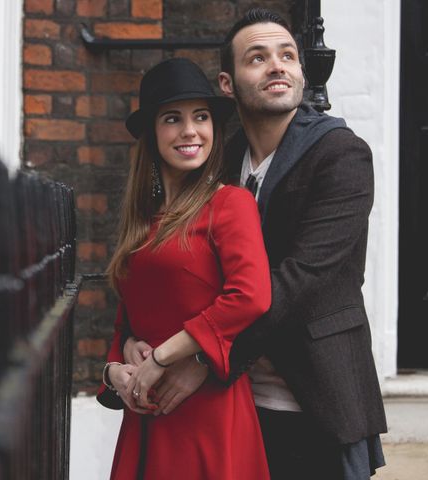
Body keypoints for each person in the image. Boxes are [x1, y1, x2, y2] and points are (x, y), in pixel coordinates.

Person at [123, 8, 388, 480]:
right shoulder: (218, 162)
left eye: (288, 55)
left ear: (303, 74)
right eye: (258, 58)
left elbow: (299, 280)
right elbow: (165, 260)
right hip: (232, 404)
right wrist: (130, 343)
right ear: (228, 83)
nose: (277, 66)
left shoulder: (341, 155)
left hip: (314, 397)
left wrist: (204, 358)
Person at [97, 57, 271, 479]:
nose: (190, 130)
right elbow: (127, 321)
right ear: (153, 135)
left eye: (201, 117)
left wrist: (164, 354)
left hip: (208, 410)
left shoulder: (230, 204)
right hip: (146, 411)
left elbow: (252, 295)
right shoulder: (142, 220)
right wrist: (114, 370)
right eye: (173, 119)